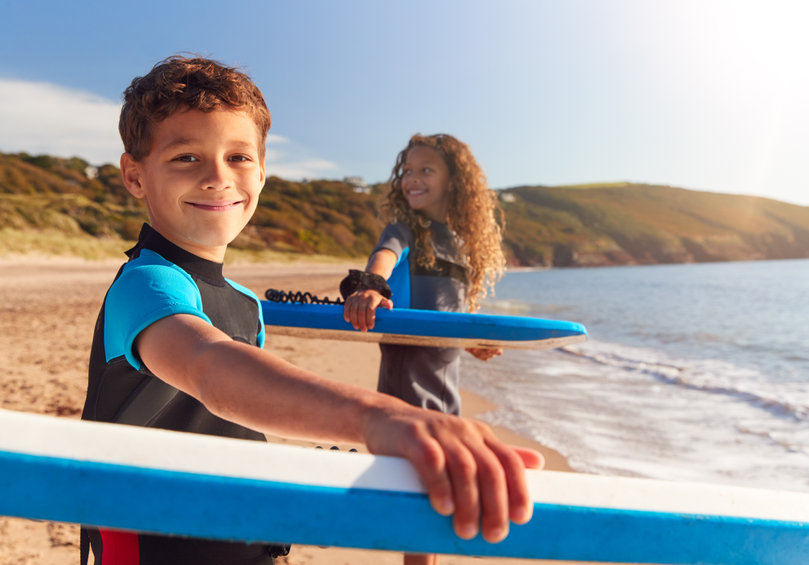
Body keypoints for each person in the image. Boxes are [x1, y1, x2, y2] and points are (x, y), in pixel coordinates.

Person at [80, 57, 542, 565]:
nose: (218, 178)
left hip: (244, 545)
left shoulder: (242, 304)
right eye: (186, 157)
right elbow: (210, 368)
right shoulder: (147, 284)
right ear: (134, 176)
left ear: (261, 171)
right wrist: (377, 417)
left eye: (237, 157)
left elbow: (226, 426)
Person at [342, 133, 508, 565]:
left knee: (437, 507)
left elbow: (448, 313)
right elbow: (383, 256)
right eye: (408, 171)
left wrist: (473, 343)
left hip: (446, 386)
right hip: (408, 383)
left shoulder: (460, 242)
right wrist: (371, 288)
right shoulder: (405, 229)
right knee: (423, 500)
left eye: (426, 170)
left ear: (455, 180)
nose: (412, 179)